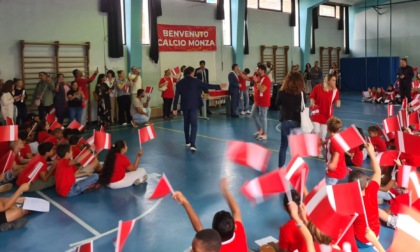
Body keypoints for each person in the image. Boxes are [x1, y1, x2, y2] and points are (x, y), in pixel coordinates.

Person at [173, 66, 225, 152]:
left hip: (185, 106)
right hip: (193, 105)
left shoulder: (179, 83)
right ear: (191, 72)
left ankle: (187, 141)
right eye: (193, 72)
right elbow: (207, 85)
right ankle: (192, 143)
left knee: (186, 123)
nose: (194, 74)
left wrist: (175, 108)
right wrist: (218, 86)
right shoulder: (195, 81)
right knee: (194, 124)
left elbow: (176, 96)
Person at [349, 142, 381, 249]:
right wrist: (371, 152)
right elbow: (378, 171)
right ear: (366, 184)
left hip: (362, 241)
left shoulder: (351, 202)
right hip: (376, 236)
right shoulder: (372, 189)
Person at [276, 72, 306, 168]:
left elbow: (276, 103)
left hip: (285, 120)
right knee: (296, 147)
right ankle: (296, 167)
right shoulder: (302, 93)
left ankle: (281, 168)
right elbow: (303, 105)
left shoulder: (281, 92)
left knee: (284, 146)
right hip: (297, 121)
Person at [310, 73, 341, 143]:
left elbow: (337, 104)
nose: (334, 82)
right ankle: (311, 140)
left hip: (327, 115)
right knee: (316, 131)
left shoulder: (335, 91)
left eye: (335, 80)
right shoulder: (318, 87)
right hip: (317, 113)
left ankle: (319, 149)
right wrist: (312, 102)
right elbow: (312, 96)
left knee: (323, 136)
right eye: (333, 80)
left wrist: (338, 101)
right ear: (328, 81)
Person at [251, 64, 272, 141]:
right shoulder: (258, 77)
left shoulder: (266, 79)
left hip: (264, 101)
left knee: (263, 117)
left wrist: (257, 82)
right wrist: (239, 72)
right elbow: (246, 77)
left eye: (259, 69)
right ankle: (260, 129)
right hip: (257, 101)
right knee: (253, 114)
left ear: (263, 70)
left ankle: (264, 134)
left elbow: (262, 89)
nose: (257, 71)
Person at [325, 117, 347, 185]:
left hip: (334, 173)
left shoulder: (332, 142)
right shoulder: (338, 138)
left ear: (327, 129)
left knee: (328, 192)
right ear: (339, 129)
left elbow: (332, 166)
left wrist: (328, 164)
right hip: (341, 168)